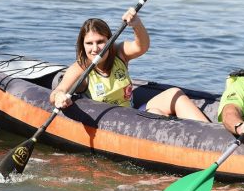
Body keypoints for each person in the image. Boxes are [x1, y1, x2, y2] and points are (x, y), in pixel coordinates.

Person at [50, 8, 210, 122]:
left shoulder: (119, 53)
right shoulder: (81, 68)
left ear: (109, 41)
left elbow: (142, 47)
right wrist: (60, 97)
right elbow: (60, 90)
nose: (95, 48)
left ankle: (209, 135)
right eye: (89, 43)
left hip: (133, 114)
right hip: (112, 123)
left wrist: (137, 25)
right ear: (82, 45)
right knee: (154, 113)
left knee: (174, 93)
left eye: (100, 42)